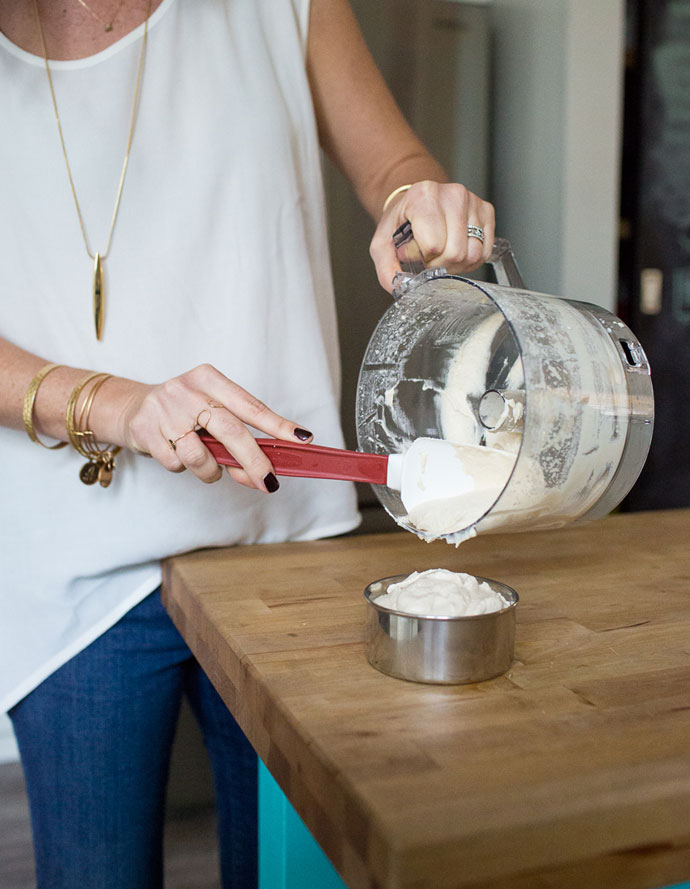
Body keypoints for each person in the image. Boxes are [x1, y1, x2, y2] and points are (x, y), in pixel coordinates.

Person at [0, 0, 495, 886]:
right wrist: (120, 405)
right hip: (67, 560)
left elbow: (393, 163)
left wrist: (417, 199)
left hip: (286, 540)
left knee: (295, 870)